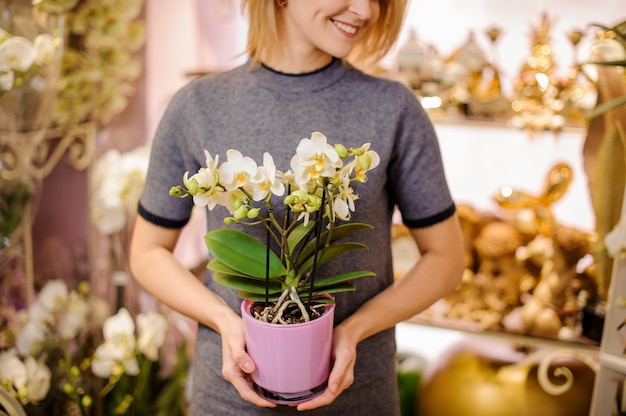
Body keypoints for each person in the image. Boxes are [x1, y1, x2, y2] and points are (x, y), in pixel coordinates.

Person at [129, 0, 465, 415]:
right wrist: (224, 321)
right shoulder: (197, 107)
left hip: (359, 396)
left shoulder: (394, 109)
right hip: (230, 398)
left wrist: (354, 330)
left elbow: (446, 258)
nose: (366, 10)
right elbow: (147, 252)